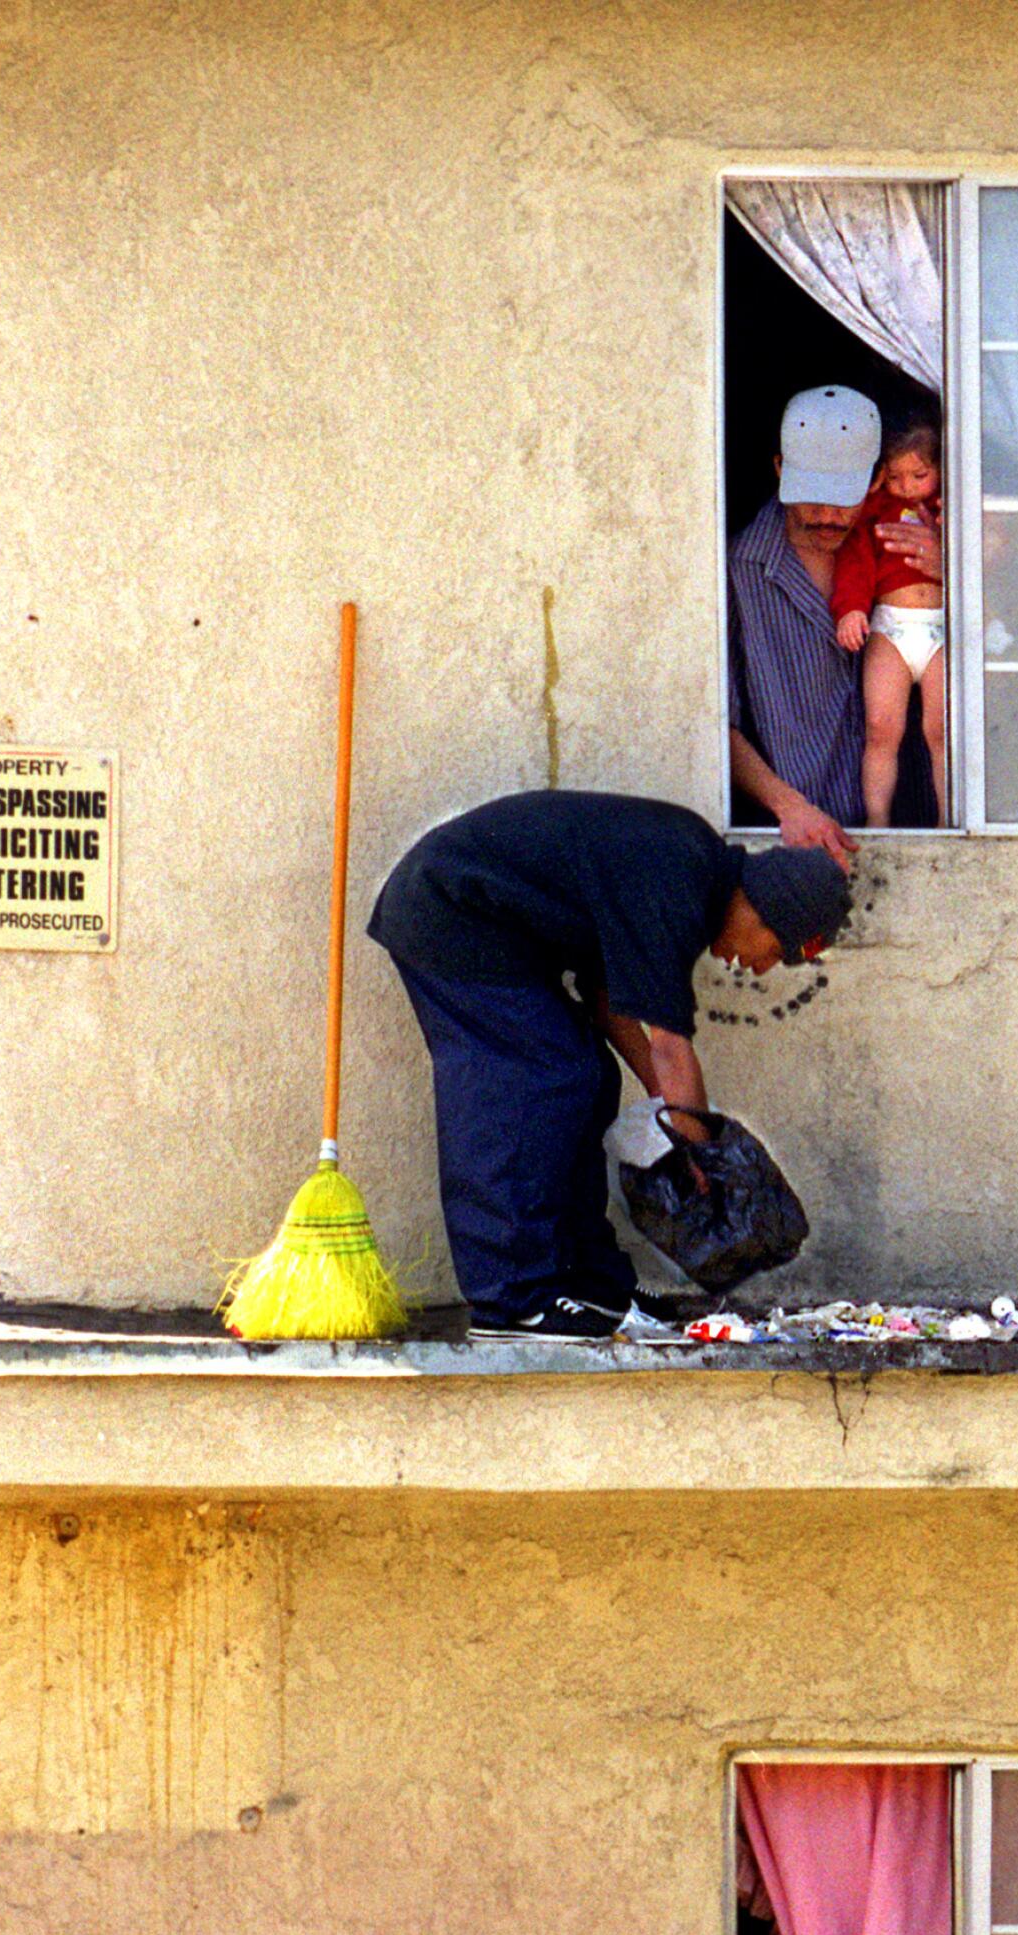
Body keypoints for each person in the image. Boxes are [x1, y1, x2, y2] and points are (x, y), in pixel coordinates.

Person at [368, 789, 850, 1340]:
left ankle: (589, 1284)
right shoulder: (683, 883)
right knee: (535, 1078)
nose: (760, 967)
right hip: (451, 910)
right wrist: (695, 1157)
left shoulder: (690, 873)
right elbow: (670, 1045)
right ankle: (513, 1299)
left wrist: (666, 1111)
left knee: (589, 1077)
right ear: (765, 908)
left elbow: (608, 1001)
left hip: (484, 925)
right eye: (775, 950)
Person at [727, 385, 940, 859]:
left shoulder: (916, 538)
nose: (825, 516)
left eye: (842, 498)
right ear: (780, 470)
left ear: (877, 479)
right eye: (811, 497)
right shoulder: (741, 569)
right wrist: (791, 808)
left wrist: (957, 573)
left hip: (923, 838)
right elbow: (716, 722)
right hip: (798, 843)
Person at [832, 414, 946, 827]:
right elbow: (855, 561)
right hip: (890, 627)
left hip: (941, 627)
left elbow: (993, 545)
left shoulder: (951, 507)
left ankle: (947, 818)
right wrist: (851, 608)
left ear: (941, 469)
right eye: (895, 477)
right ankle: (877, 821)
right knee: (881, 728)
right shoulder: (875, 511)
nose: (907, 487)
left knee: (941, 731)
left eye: (919, 475)